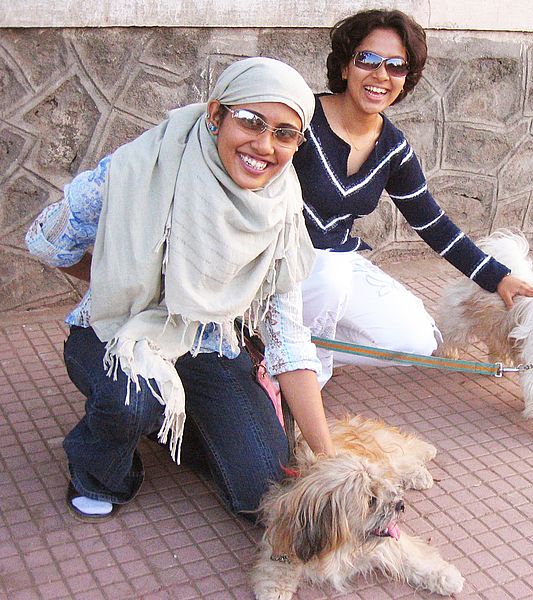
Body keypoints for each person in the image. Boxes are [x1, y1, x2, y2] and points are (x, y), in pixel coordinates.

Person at [24, 57, 334, 523]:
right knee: (131, 402)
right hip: (118, 330)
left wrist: (329, 461)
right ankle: (102, 468)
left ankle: (174, 419)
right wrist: (118, 279)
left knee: (264, 498)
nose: (264, 145)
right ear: (216, 115)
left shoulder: (281, 207)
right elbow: (46, 241)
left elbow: (288, 340)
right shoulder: (139, 167)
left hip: (208, 343)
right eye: (250, 121)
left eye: (284, 133)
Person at [294, 9, 533, 386]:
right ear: (345, 66)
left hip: (334, 263)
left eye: (396, 66)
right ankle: (296, 368)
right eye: (368, 60)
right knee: (328, 277)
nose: (381, 75)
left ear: (405, 80)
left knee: (417, 340)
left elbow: (433, 223)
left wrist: (497, 277)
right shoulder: (300, 118)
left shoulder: (393, 149)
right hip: (279, 260)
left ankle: (290, 345)